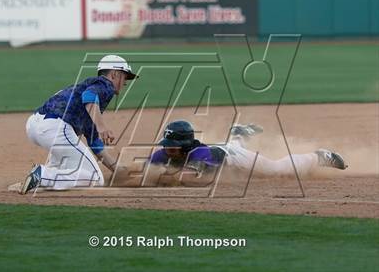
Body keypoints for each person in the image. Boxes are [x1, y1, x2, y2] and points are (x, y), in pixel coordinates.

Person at [20, 54, 138, 194]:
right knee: (95, 178)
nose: (125, 82)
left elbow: (95, 144)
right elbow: (89, 96)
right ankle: (43, 176)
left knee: (63, 170)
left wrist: (117, 170)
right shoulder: (105, 85)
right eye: (125, 76)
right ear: (114, 74)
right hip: (55, 126)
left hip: (37, 124)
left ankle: (36, 179)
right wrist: (102, 127)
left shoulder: (91, 104)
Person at [149, 120, 347, 179]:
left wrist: (160, 176)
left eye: (172, 147)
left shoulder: (200, 154)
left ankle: (320, 157)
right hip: (222, 149)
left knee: (277, 169)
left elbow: (187, 177)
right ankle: (238, 133)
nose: (168, 150)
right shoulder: (163, 153)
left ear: (184, 145)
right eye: (166, 146)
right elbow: (145, 169)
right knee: (232, 144)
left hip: (237, 158)